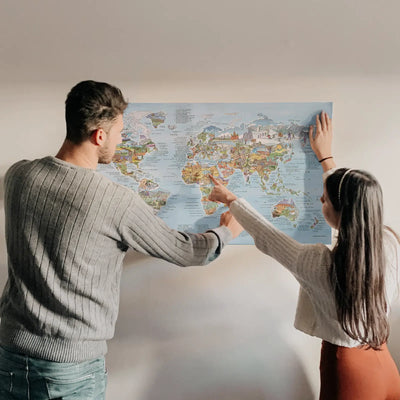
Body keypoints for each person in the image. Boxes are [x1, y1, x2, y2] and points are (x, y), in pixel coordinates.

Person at [0, 80, 243, 399]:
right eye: (119, 133)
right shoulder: (113, 201)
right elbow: (188, 251)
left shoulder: (17, 176)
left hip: (8, 355)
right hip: (70, 370)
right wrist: (228, 229)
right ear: (98, 136)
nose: (122, 140)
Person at [209, 111, 400, 400]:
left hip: (349, 371)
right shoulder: (389, 241)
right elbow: (350, 200)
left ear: (339, 213)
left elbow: (269, 238)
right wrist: (327, 159)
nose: (319, 200)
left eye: (324, 199)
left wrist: (231, 200)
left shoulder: (318, 263)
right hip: (384, 362)